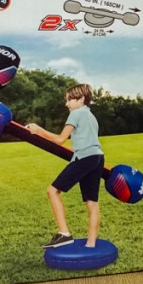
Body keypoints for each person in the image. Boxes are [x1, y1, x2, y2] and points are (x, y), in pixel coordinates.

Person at [26, 84, 103, 249]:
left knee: (52, 191)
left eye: (69, 99)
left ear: (81, 99)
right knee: (92, 202)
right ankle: (91, 244)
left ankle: (64, 234)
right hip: (97, 157)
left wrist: (38, 130)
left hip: (84, 158)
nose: (67, 104)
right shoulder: (91, 116)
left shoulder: (76, 113)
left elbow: (61, 140)